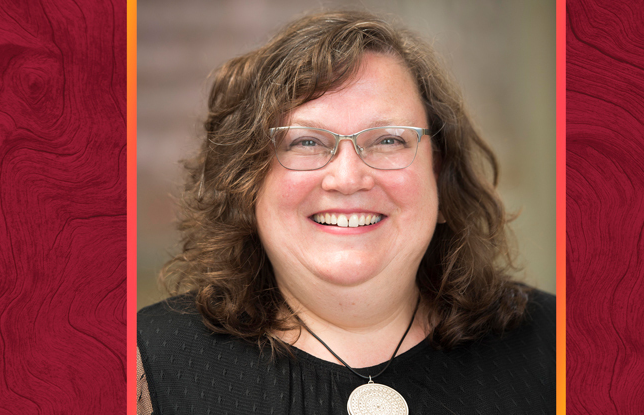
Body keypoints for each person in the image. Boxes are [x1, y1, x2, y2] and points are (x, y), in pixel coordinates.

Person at [137, 10, 555, 415]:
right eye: (306, 142)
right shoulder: (142, 364)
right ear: (247, 182)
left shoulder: (566, 346)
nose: (348, 177)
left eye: (388, 140)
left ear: (440, 176)